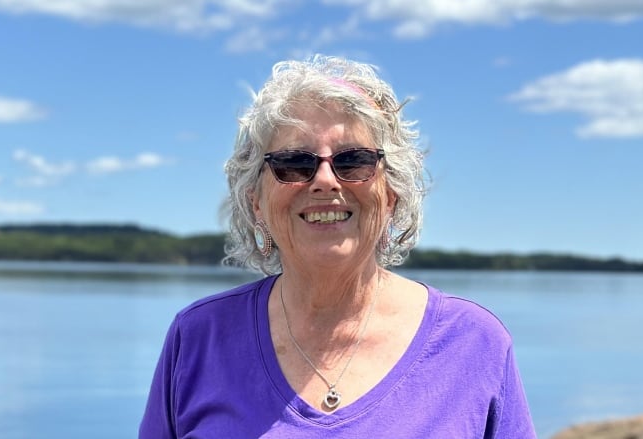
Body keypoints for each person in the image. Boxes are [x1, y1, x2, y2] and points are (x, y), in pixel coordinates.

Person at [139, 55, 536, 438]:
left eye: (353, 161)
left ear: (392, 193)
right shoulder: (197, 338)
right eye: (294, 163)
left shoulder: (474, 343)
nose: (326, 180)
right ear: (255, 200)